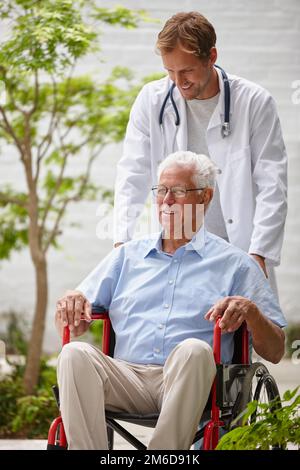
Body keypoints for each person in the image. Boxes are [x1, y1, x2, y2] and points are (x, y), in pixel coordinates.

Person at [56, 151, 286, 450]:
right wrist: (72, 302)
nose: (166, 200)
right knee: (74, 353)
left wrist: (252, 312)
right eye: (161, 190)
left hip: (193, 381)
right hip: (127, 378)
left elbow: (277, 349)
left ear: (205, 197)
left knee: (193, 350)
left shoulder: (236, 264)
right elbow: (75, 326)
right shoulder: (127, 256)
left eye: (178, 191)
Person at [113, 11, 287, 294]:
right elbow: (131, 175)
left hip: (236, 250)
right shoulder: (151, 100)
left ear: (211, 57)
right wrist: (120, 244)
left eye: (187, 71)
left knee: (245, 333)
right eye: (170, 71)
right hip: (174, 250)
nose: (178, 82)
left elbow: (272, 187)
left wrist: (260, 253)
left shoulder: (255, 103)